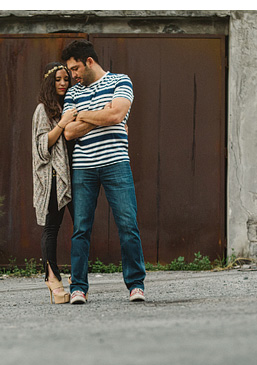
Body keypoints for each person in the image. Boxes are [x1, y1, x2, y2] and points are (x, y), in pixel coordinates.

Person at [61, 39, 146, 304]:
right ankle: (78, 288)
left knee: (127, 225)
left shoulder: (121, 81)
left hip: (116, 162)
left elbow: (116, 116)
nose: (72, 75)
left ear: (89, 61)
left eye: (75, 68)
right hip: (83, 166)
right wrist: (100, 114)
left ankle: (136, 285)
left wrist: (82, 115)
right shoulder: (72, 93)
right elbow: (68, 131)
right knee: (81, 229)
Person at [31, 61, 77, 304]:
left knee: (81, 226)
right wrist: (63, 122)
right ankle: (52, 278)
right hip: (53, 177)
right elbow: (42, 147)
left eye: (66, 79)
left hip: (74, 174)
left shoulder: (69, 105)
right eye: (58, 79)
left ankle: (78, 278)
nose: (63, 83)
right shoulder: (43, 110)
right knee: (52, 228)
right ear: (49, 82)